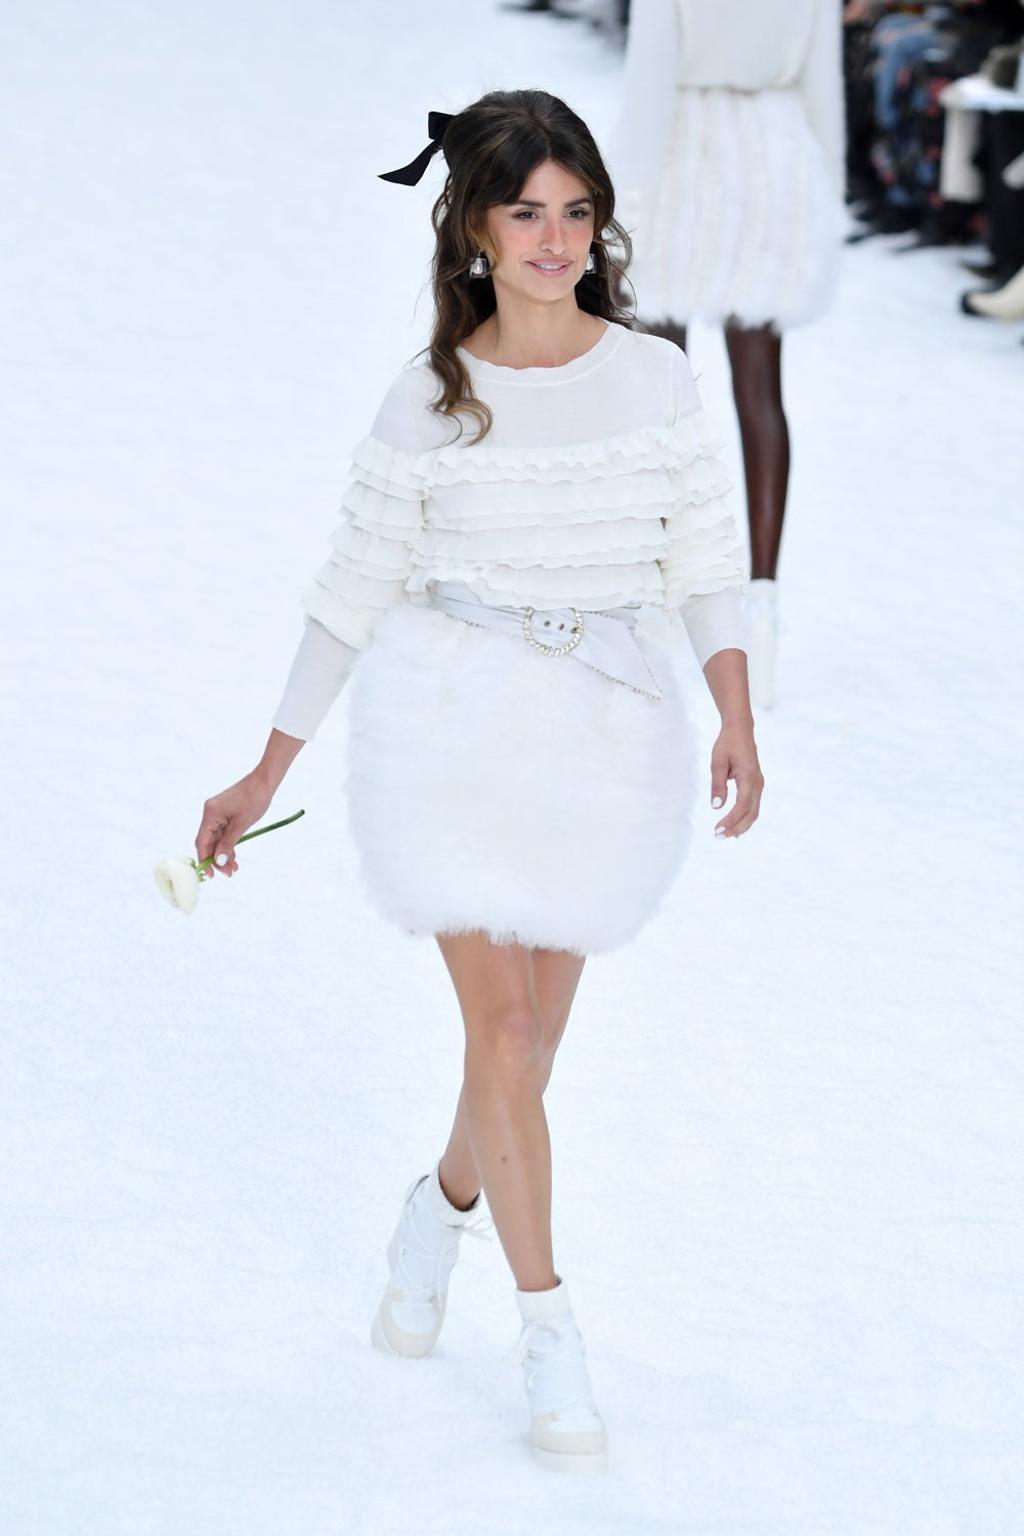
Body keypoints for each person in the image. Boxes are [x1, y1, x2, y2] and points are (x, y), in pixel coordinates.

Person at [194, 89, 763, 1474]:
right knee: (504, 1041)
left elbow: (705, 553)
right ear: (474, 230)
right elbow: (352, 587)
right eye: (527, 213)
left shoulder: (656, 379)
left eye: (576, 211)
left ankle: (439, 1206)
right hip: (451, 719)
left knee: (531, 1053)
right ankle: (548, 1330)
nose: (556, 239)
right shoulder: (429, 398)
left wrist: (735, 715)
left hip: (604, 733)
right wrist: (266, 764)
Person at [610, 0, 846, 707]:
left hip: (686, 158)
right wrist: (827, 201)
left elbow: (648, 91)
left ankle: (653, 596)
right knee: (761, 391)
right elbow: (824, 93)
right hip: (775, 161)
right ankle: (762, 607)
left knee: (661, 389)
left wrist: (624, 217)